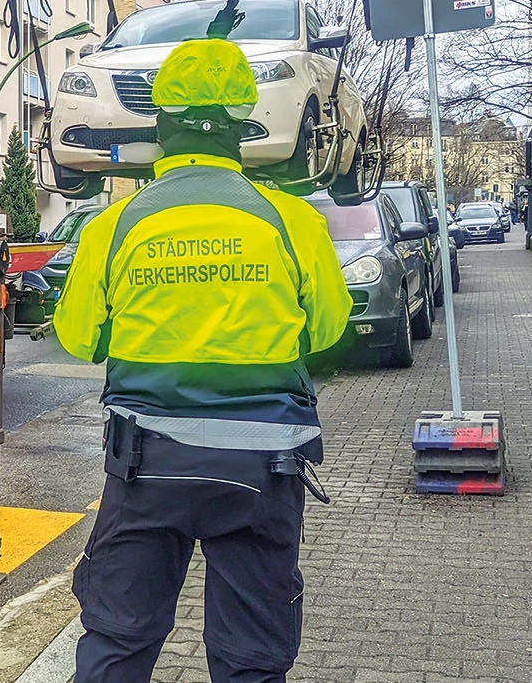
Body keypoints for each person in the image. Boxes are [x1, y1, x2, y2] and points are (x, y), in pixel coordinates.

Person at [54, 37, 352, 682]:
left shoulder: (112, 226)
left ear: (159, 125)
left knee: (118, 643)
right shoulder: (293, 221)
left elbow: (79, 338)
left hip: (145, 467)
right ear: (244, 127)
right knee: (251, 659)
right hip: (261, 469)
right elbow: (327, 330)